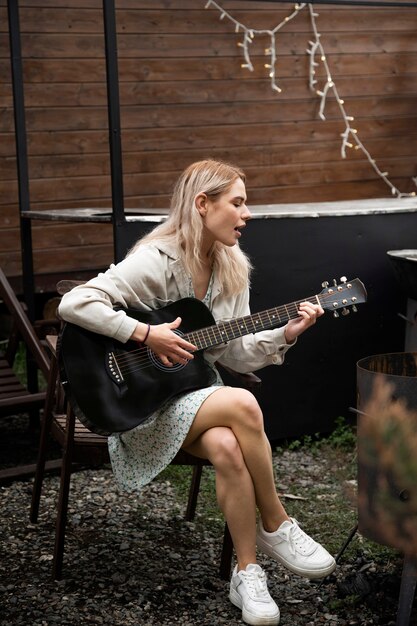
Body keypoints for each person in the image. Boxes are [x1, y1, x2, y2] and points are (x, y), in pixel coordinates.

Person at [58, 159, 336, 626]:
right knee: (244, 402)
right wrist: (145, 336)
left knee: (228, 446)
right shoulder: (156, 259)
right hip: (139, 406)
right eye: (238, 203)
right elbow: (74, 302)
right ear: (202, 204)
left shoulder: (233, 268)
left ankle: (246, 573)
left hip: (194, 397)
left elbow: (236, 353)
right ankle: (276, 521)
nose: (247, 215)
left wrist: (286, 335)